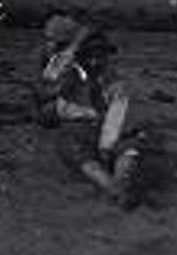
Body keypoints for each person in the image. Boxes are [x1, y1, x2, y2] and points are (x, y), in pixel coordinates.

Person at [38, 21, 145, 209]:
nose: (95, 62)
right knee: (75, 149)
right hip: (77, 130)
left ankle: (120, 182)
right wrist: (76, 43)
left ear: (108, 57)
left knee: (130, 147)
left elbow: (117, 119)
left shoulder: (115, 80)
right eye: (90, 56)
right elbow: (51, 74)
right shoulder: (71, 74)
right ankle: (112, 188)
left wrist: (106, 148)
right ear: (81, 57)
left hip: (106, 132)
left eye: (100, 56)